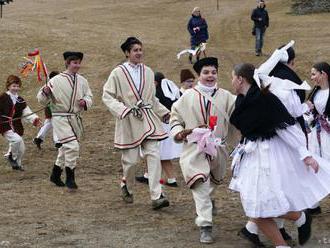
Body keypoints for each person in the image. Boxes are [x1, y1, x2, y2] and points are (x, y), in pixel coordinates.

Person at [229, 63, 330, 247]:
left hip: (269, 153)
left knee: (261, 205)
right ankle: (296, 225)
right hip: (252, 154)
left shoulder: (264, 99)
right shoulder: (242, 100)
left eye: (232, 77)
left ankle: (296, 224)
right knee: (255, 207)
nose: (231, 81)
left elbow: (286, 128)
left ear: (240, 79)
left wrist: (305, 154)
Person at [239, 42, 314, 247]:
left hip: (277, 147)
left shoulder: (276, 86)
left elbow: (284, 121)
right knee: (264, 196)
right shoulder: (264, 83)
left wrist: (303, 152)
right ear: (292, 61)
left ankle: (293, 221)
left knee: (270, 194)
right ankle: (265, 229)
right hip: (261, 148)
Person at [170, 57, 236, 243]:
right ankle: (205, 225)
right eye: (206, 72)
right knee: (200, 184)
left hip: (218, 149)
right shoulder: (188, 97)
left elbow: (240, 112)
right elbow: (175, 119)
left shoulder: (226, 96)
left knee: (211, 185)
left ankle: (207, 202)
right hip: (194, 149)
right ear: (199, 75)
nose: (210, 76)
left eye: (213, 72)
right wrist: (179, 133)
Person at [102, 37, 170, 210]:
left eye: (140, 49)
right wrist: (123, 110)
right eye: (135, 50)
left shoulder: (148, 71)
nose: (139, 52)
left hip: (148, 119)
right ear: (127, 53)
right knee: (131, 161)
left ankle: (157, 195)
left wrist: (164, 113)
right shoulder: (117, 73)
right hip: (129, 119)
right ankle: (127, 185)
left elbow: (152, 99)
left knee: (154, 155)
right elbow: (107, 96)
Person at [37, 51, 93, 190]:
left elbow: (89, 96)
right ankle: (70, 178)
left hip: (75, 118)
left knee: (65, 148)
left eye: (79, 62)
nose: (78, 65)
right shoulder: (55, 80)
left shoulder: (82, 81)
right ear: (68, 63)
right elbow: (41, 99)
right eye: (75, 63)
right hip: (60, 118)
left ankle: (55, 175)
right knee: (72, 146)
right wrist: (45, 92)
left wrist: (85, 102)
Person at [136, 72, 182, 187]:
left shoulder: (156, 93)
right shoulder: (172, 92)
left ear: (155, 82)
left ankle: (171, 179)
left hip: (160, 127)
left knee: (159, 154)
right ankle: (148, 175)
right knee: (153, 152)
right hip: (170, 126)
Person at [0, 75, 41, 171]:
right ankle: (10, 156)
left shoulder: (20, 100)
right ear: (8, 86)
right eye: (13, 86)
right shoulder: (3, 97)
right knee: (17, 140)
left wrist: (35, 119)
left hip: (15, 124)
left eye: (17, 86)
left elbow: (26, 111)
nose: (16, 88)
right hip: (4, 124)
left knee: (21, 148)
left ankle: (17, 165)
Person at [306, 62, 330, 215]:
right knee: (315, 164)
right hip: (316, 133)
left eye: (314, 74)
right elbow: (310, 114)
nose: (312, 77)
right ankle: (313, 204)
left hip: (328, 134)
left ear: (324, 74)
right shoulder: (314, 91)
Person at [33, 71, 60, 149]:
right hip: (51, 108)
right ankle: (58, 142)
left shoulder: (59, 84)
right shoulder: (47, 86)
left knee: (49, 122)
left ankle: (39, 138)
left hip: (56, 108)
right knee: (56, 122)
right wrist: (44, 92)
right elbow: (40, 98)